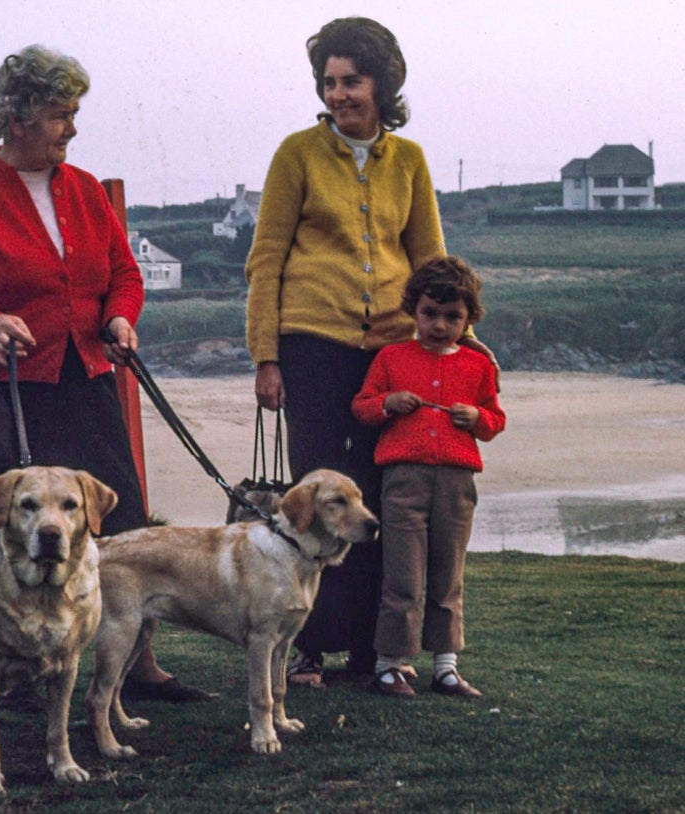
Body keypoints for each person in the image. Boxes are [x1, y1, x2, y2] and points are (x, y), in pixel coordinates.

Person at [0, 44, 210, 704]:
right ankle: (17, 672)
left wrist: (120, 316)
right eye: (60, 114)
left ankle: (133, 663)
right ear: (19, 117)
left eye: (74, 113)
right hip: (13, 395)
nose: (71, 128)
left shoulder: (82, 189)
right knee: (21, 538)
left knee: (124, 528)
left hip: (86, 379)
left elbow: (123, 275)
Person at [245, 17, 499, 687]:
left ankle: (374, 650)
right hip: (312, 346)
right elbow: (266, 259)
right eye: (328, 83)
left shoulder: (409, 160)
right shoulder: (296, 154)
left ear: (382, 84)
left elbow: (430, 260)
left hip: (392, 350)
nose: (338, 95)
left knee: (380, 499)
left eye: (351, 81)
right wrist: (265, 357)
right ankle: (308, 647)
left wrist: (466, 349)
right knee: (317, 497)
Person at [352, 256, 506, 698]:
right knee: (402, 576)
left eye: (452, 317)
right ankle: (388, 665)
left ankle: (446, 668)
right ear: (413, 311)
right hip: (403, 481)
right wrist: (388, 403)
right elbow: (362, 407)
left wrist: (477, 416)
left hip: (457, 485)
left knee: (447, 576)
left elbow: (495, 421)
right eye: (429, 314)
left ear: (469, 318)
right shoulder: (392, 357)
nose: (440, 325)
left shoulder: (478, 366)